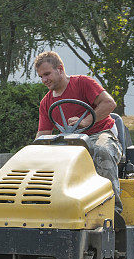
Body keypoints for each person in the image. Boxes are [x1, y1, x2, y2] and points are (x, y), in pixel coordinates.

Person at [34, 51, 123, 213]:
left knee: (100, 151)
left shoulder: (83, 83)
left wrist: (87, 120)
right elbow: (43, 135)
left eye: (47, 74)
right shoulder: (46, 103)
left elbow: (109, 103)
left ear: (60, 69)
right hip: (69, 143)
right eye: (41, 76)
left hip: (100, 133)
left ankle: (113, 211)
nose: (44, 80)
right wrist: (33, 154)